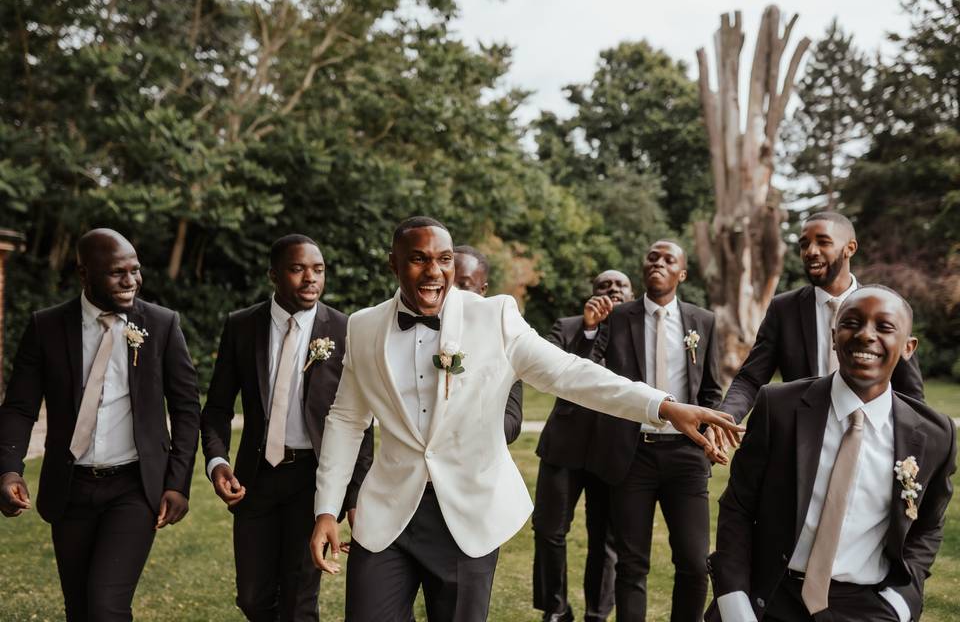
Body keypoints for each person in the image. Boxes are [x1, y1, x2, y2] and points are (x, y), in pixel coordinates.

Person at [308, 216, 742, 622]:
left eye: (443, 260)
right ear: (393, 263)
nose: (434, 272)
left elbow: (571, 374)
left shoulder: (493, 315)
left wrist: (662, 406)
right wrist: (327, 508)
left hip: (469, 516)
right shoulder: (364, 326)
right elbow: (347, 418)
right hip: (387, 514)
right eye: (419, 259)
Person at [707, 286, 956, 622]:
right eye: (852, 323)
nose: (866, 335)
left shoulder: (934, 434)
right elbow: (738, 507)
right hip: (769, 598)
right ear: (835, 335)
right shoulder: (779, 407)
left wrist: (900, 603)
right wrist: (736, 604)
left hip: (865, 606)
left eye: (884, 327)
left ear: (909, 347)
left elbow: (928, 526)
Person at [0, 228, 201, 621]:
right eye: (116, 273)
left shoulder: (160, 324)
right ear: (83, 273)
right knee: (78, 608)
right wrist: (8, 469)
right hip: (70, 487)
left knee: (106, 606)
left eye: (135, 270)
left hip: (134, 488)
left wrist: (177, 482)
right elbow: (20, 407)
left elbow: (186, 408)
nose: (131, 282)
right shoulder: (47, 327)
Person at [200, 235, 374, 621]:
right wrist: (217, 461)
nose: (311, 278)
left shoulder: (346, 330)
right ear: (274, 276)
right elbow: (216, 408)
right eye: (298, 269)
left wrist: (353, 495)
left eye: (318, 269)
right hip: (255, 480)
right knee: (252, 599)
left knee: (299, 602)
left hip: (314, 481)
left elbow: (363, 422)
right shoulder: (242, 327)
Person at [586, 240, 723, 621]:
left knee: (695, 563)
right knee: (632, 564)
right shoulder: (617, 317)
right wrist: (587, 330)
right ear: (643, 267)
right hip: (632, 454)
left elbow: (711, 388)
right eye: (652, 257)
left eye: (668, 260)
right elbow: (588, 373)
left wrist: (709, 427)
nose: (658, 263)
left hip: (686, 456)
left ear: (682, 273)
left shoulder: (703, 321)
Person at [717, 213, 923, 444]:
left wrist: (911, 445)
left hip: (873, 437)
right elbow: (751, 379)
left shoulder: (887, 307)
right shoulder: (783, 309)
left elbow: (910, 392)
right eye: (804, 244)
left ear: (850, 248)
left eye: (823, 242)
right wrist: (724, 419)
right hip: (803, 438)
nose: (811, 251)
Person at [532, 268, 635, 622]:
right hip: (564, 448)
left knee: (604, 540)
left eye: (621, 284)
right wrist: (589, 331)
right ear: (591, 293)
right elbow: (552, 374)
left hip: (613, 450)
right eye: (604, 284)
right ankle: (555, 608)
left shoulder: (639, 333)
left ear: (632, 294)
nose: (612, 289)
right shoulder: (567, 326)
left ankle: (597, 612)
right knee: (548, 530)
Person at [453, 244, 523, 444]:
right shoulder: (415, 333)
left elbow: (512, 421)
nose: (454, 292)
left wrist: (466, 432)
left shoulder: (504, 340)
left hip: (476, 464)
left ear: (483, 290)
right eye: (447, 284)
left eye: (463, 285)